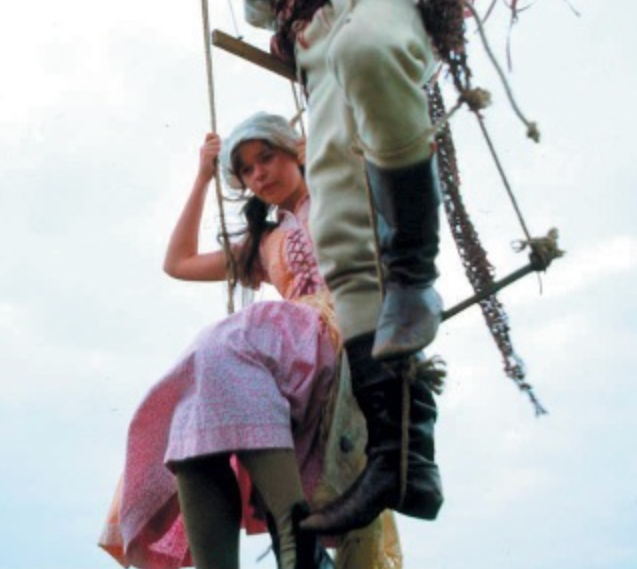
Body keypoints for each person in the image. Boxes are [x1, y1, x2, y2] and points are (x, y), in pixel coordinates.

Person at [97, 0, 443, 534]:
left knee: (374, 51)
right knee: (348, 236)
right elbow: (180, 262)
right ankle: (402, 461)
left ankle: (417, 272)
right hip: (304, 35)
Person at [99, 113, 410, 569]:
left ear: (296, 152)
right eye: (245, 169)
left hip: (342, 334)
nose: (258, 173)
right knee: (191, 412)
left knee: (221, 344)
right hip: (287, 354)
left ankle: (296, 543)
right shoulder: (264, 242)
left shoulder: (343, 196)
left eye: (267, 157)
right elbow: (178, 262)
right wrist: (203, 179)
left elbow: (396, 157)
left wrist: (335, 148)